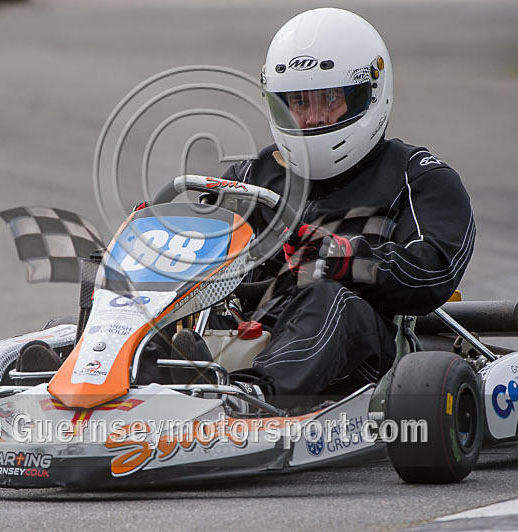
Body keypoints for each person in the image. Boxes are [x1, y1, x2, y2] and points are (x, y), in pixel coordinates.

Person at [151, 8, 476, 410]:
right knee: (147, 294)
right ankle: (107, 381)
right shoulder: (249, 177)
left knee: (323, 294)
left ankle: (249, 398)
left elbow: (433, 271)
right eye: (298, 102)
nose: (313, 118)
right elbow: (201, 254)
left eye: (331, 98)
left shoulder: (419, 177)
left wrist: (347, 258)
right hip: (248, 332)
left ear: (368, 93)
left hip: (360, 352)